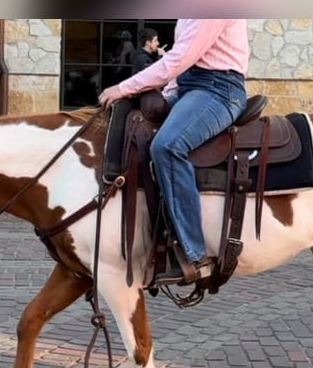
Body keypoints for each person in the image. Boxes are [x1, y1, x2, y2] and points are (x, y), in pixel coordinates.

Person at [99, 19, 249, 284]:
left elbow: (180, 58)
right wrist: (164, 94)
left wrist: (124, 87)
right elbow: (182, 65)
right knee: (137, 122)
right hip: (189, 87)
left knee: (167, 146)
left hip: (219, 90)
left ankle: (195, 256)